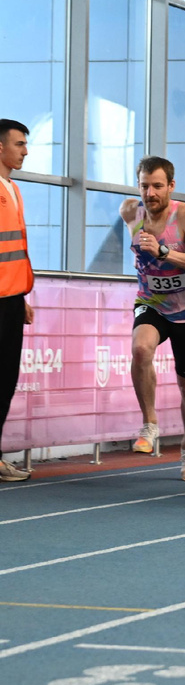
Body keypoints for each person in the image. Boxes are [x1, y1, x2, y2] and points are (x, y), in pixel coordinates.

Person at [120, 157, 185, 481]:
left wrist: (164, 252)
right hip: (151, 302)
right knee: (140, 349)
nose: (150, 193)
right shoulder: (130, 213)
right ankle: (149, 424)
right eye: (144, 186)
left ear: (171, 186)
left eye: (158, 186)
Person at [0, 120, 34, 481]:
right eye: (19, 144)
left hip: (11, 299)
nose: (25, 150)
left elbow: (16, 249)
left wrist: (21, 295)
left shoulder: (13, 188)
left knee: (6, 379)